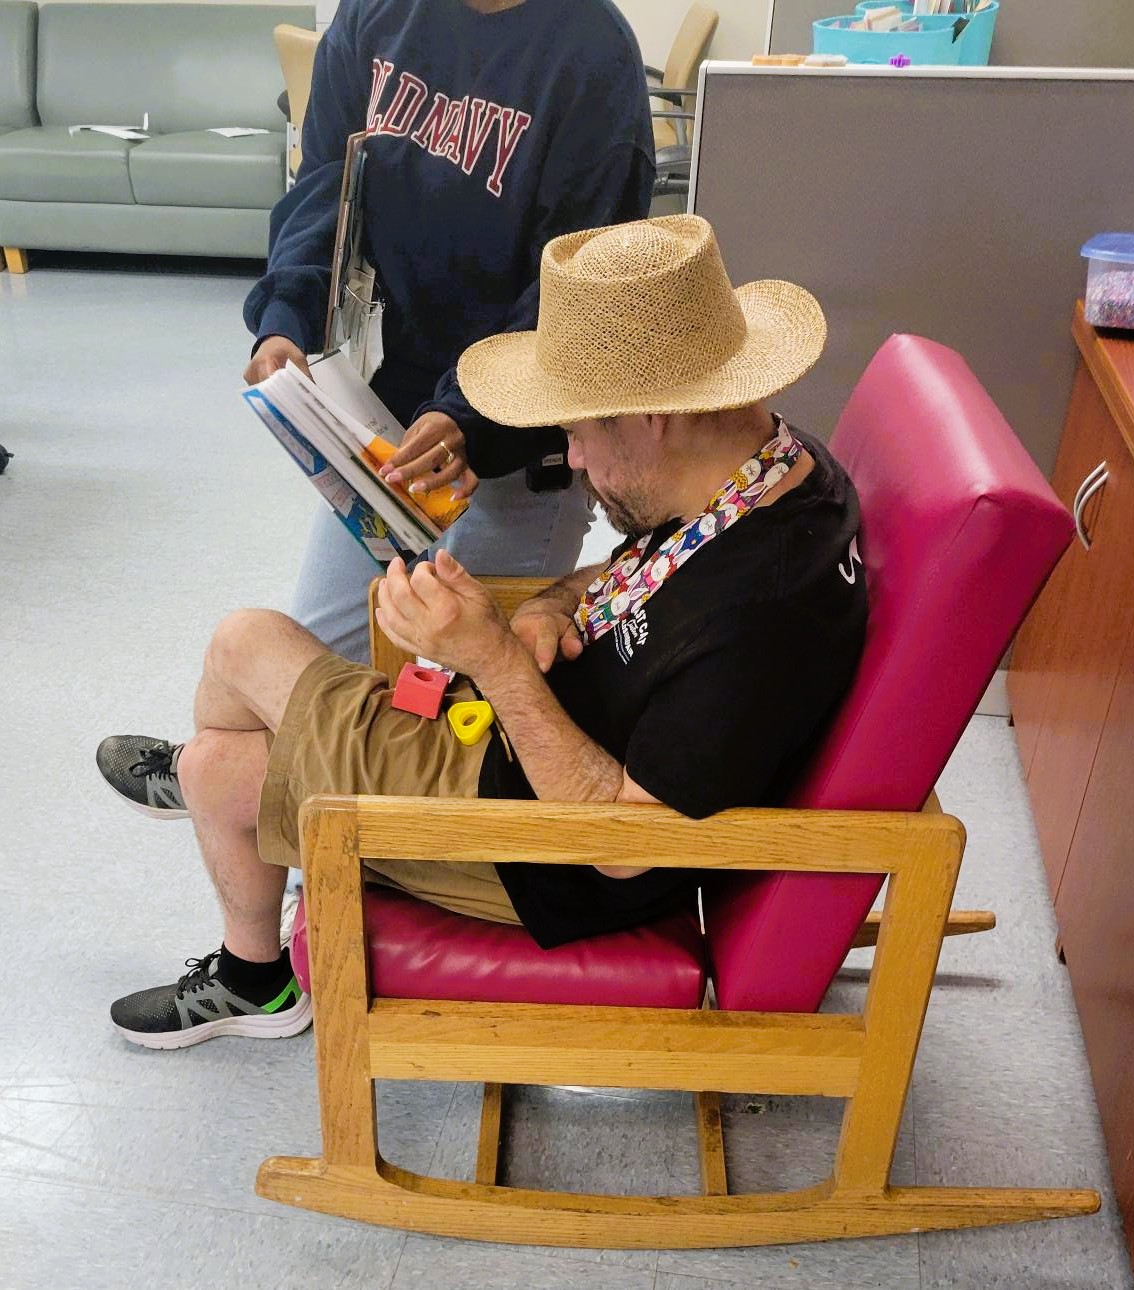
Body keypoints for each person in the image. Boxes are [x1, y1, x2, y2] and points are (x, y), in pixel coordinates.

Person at [98, 215, 868, 1050]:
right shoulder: (764, 467)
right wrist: (553, 605)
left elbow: (624, 848)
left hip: (539, 848)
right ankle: (247, 941)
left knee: (232, 695)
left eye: (576, 432)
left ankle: (250, 961)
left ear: (651, 414)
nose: (574, 461)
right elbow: (654, 571)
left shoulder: (761, 610)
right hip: (521, 745)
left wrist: (493, 660)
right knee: (226, 720)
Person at [245, 0, 656, 664]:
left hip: (516, 444)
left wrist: (466, 414)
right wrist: (284, 321)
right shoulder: (375, 14)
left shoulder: (592, 54)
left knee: (478, 689)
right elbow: (324, 182)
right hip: (388, 424)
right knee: (320, 671)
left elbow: (575, 282)